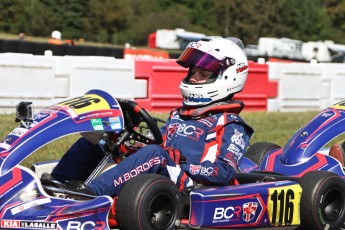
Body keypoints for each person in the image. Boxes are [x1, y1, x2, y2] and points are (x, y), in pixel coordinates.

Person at [50, 36, 254, 197]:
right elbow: (159, 143)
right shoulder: (179, 115)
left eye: (202, 74)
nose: (192, 77)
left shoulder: (231, 124)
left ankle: (90, 194)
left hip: (192, 186)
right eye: (192, 71)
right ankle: (55, 186)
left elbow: (223, 172)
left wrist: (182, 164)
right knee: (98, 144)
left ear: (228, 78)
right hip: (162, 171)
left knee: (155, 154)